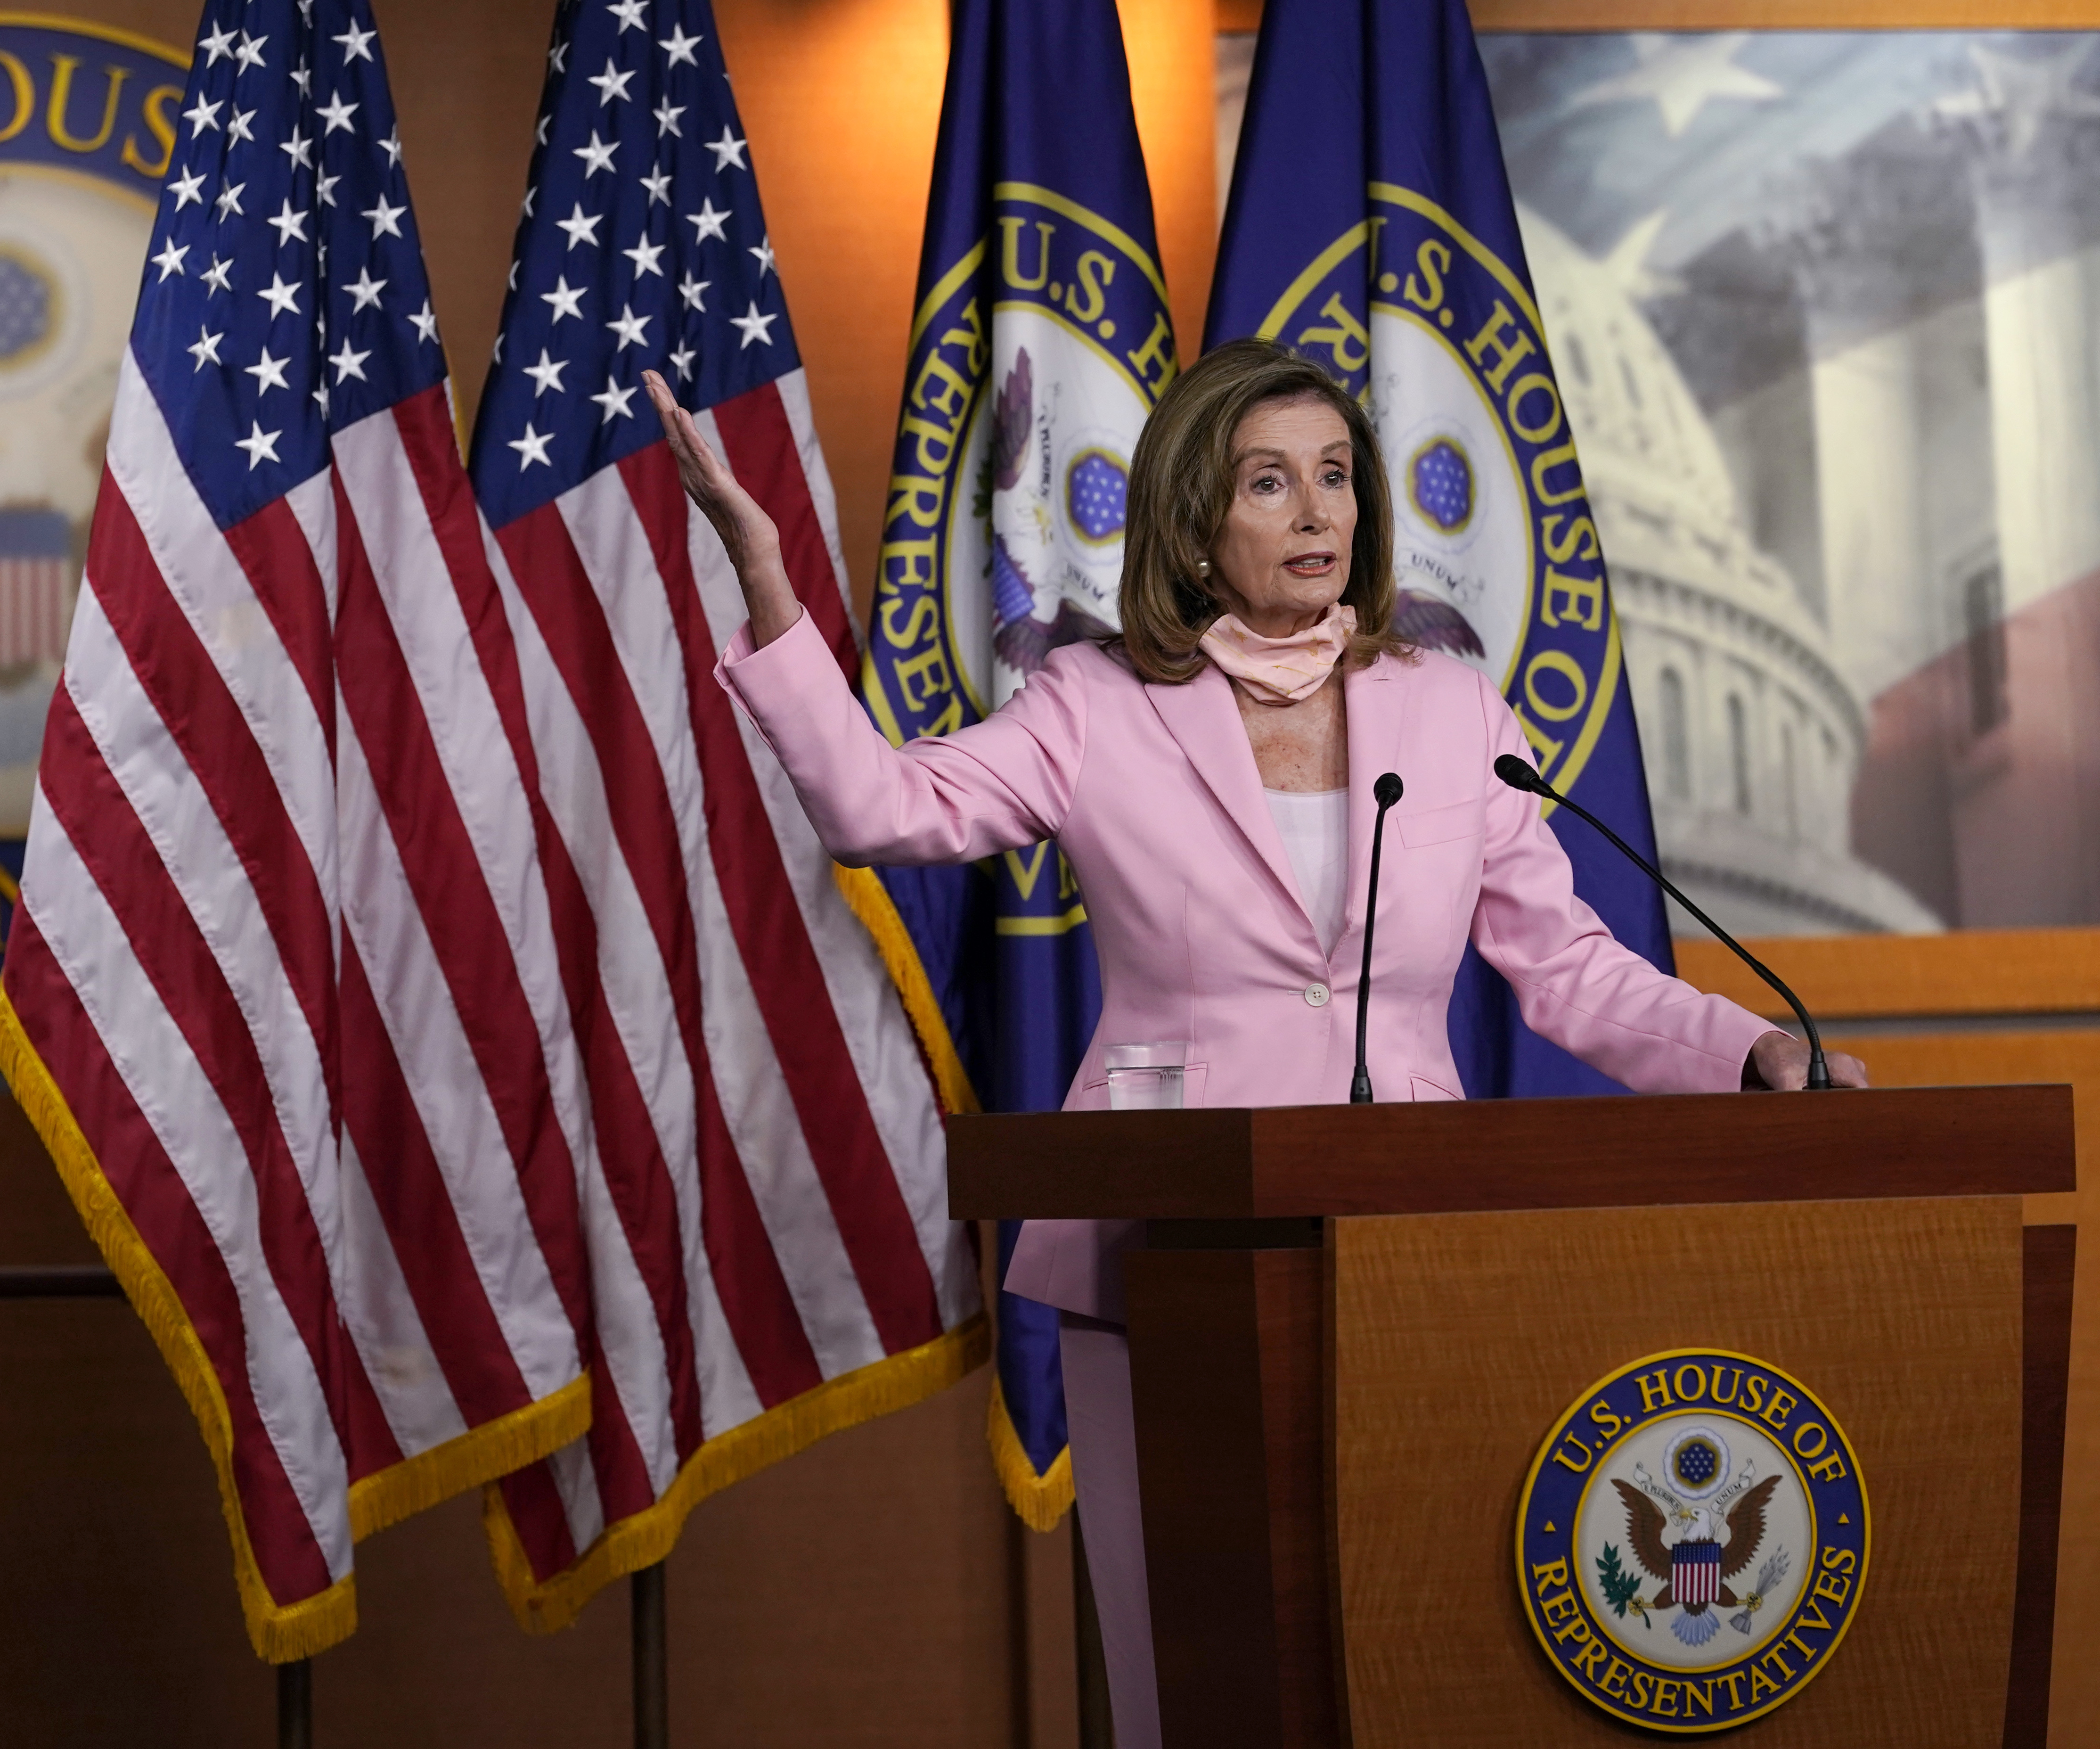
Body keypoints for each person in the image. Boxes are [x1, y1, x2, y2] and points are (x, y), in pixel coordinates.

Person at [643, 340, 1865, 1748]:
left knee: (1414, 1641)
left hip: (1415, 1237)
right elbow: (880, 810)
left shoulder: (1453, 709)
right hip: (1163, 1241)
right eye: (1271, 481)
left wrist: (1745, 1049)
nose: (1317, 512)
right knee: (1194, 1670)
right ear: (1195, 523)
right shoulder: (1096, 707)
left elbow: (1569, 965)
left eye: (1336, 477)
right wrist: (769, 585)